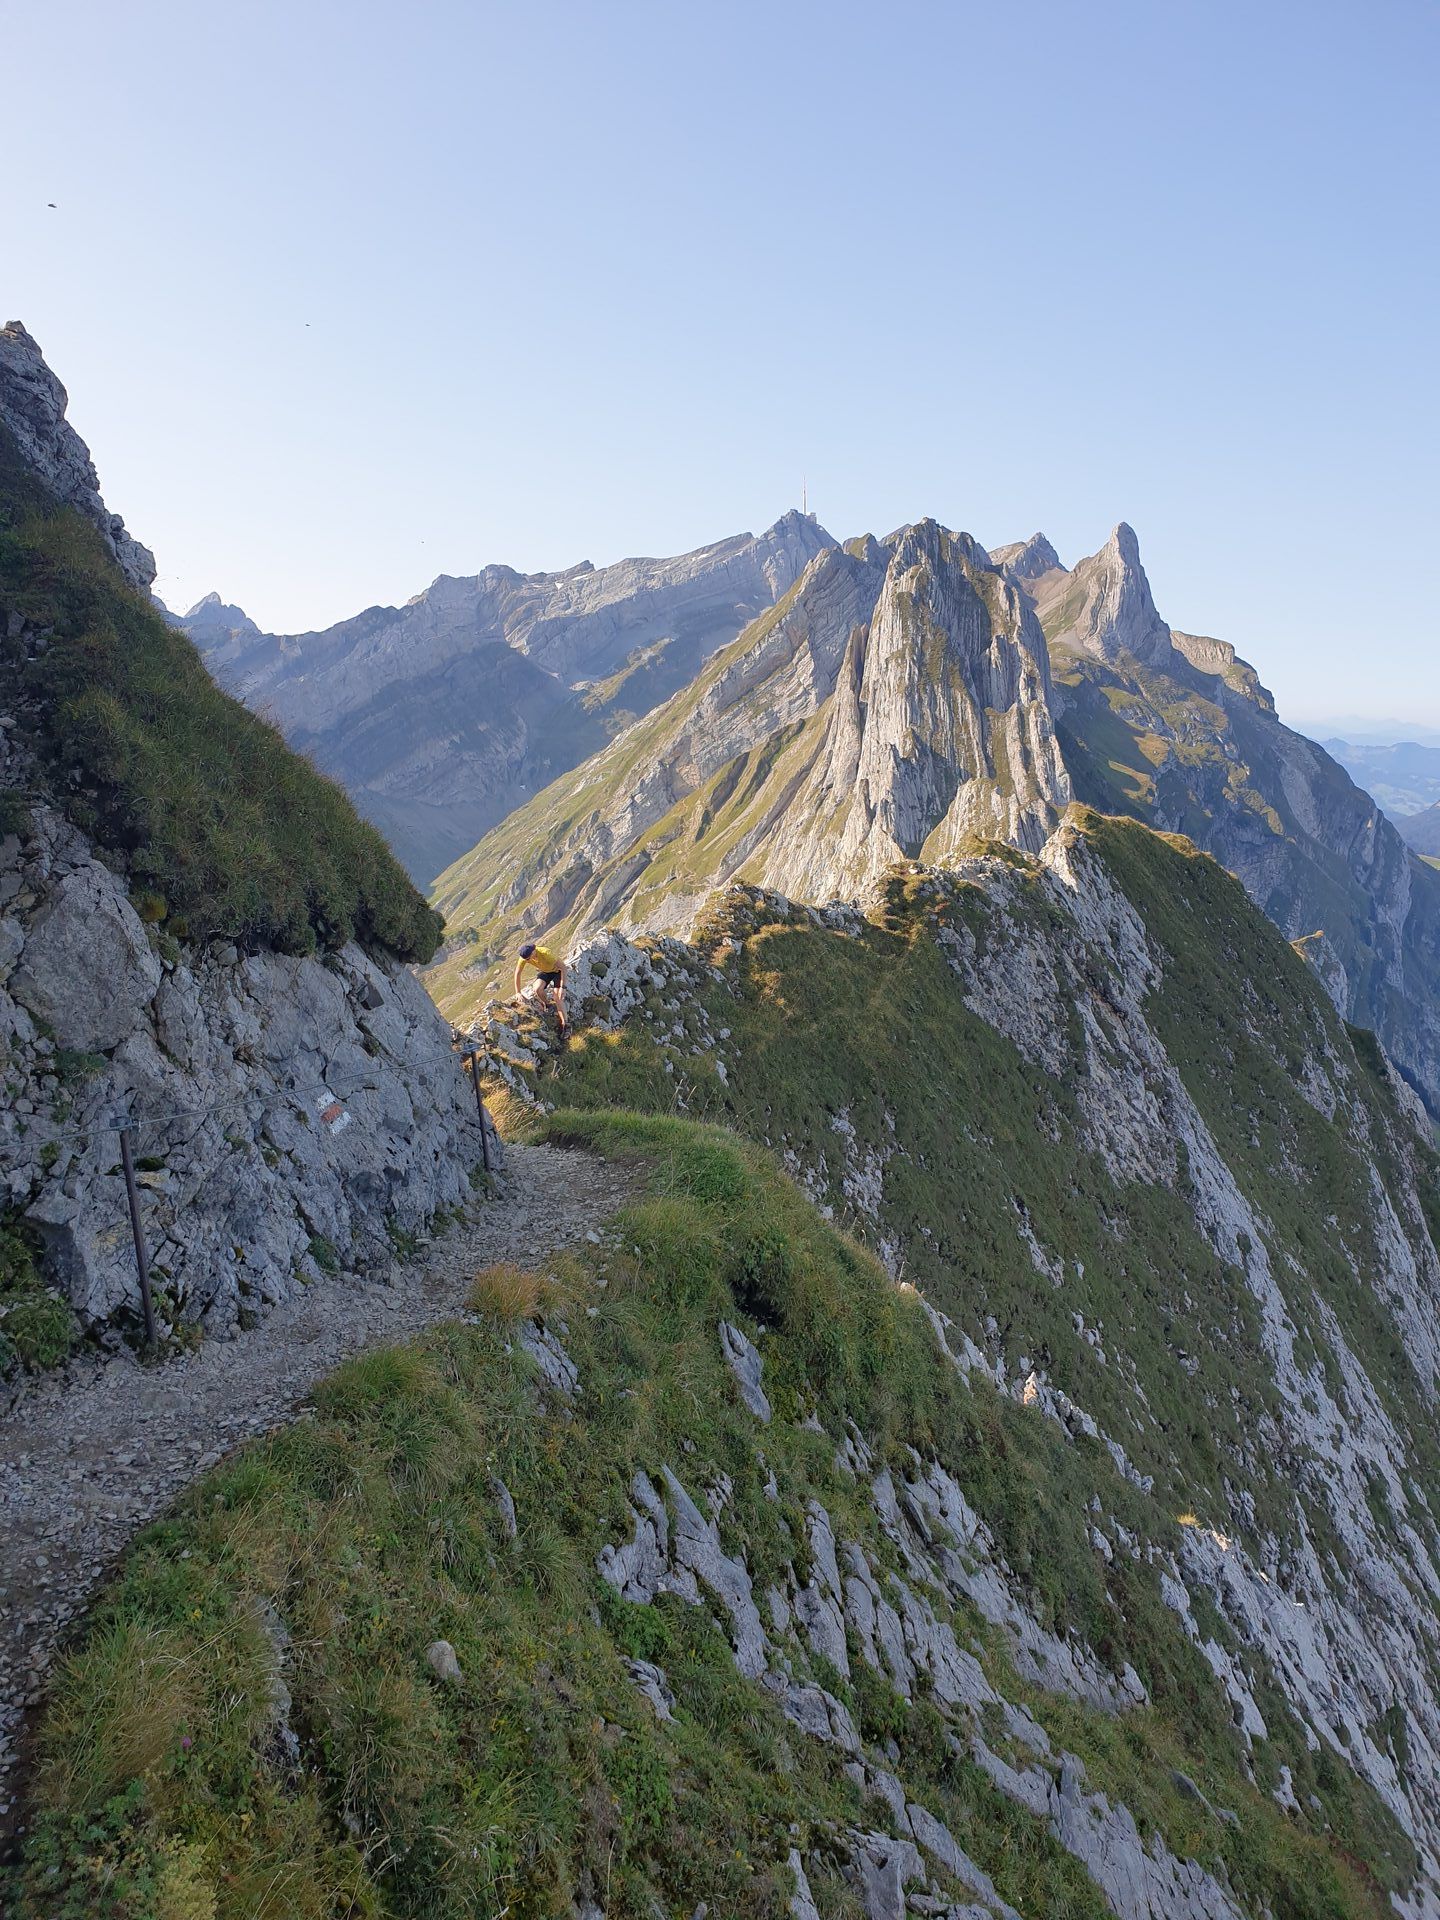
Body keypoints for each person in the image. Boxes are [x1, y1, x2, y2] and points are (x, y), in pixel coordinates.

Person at [514, 940, 567, 1032]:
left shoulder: (545, 953)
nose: (528, 960)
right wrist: (518, 992)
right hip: (546, 971)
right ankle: (547, 1004)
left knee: (557, 997)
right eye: (526, 959)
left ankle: (565, 1024)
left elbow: (563, 968)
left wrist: (563, 987)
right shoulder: (524, 957)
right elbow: (517, 973)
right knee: (537, 989)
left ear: (533, 951)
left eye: (529, 958)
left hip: (557, 971)